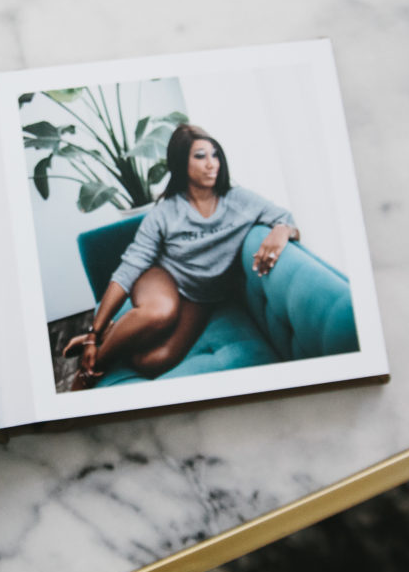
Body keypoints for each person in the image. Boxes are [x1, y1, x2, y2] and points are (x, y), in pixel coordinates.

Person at [63, 124, 300, 390]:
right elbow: (128, 270)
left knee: (153, 361)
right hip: (161, 279)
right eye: (200, 156)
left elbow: (284, 219)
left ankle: (115, 332)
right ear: (181, 163)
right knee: (161, 311)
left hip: (200, 296)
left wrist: (282, 230)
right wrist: (94, 333)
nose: (211, 164)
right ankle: (86, 373)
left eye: (215, 155)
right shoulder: (165, 213)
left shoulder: (239, 200)